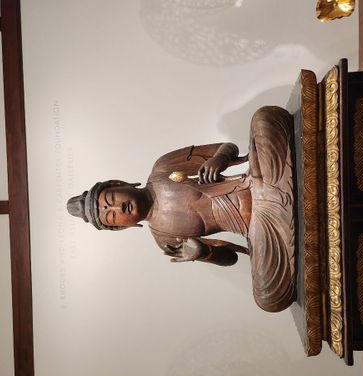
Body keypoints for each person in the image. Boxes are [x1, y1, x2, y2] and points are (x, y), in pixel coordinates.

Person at [67, 106, 295, 312]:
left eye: (112, 198)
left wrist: (220, 159)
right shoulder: (165, 239)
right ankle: (285, 199)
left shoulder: (162, 168)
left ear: (121, 184)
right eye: (112, 216)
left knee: (264, 119)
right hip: (257, 226)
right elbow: (230, 259)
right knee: (268, 298)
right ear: (120, 228)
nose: (119, 207)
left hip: (256, 182)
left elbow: (229, 148)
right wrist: (204, 253)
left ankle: (283, 203)